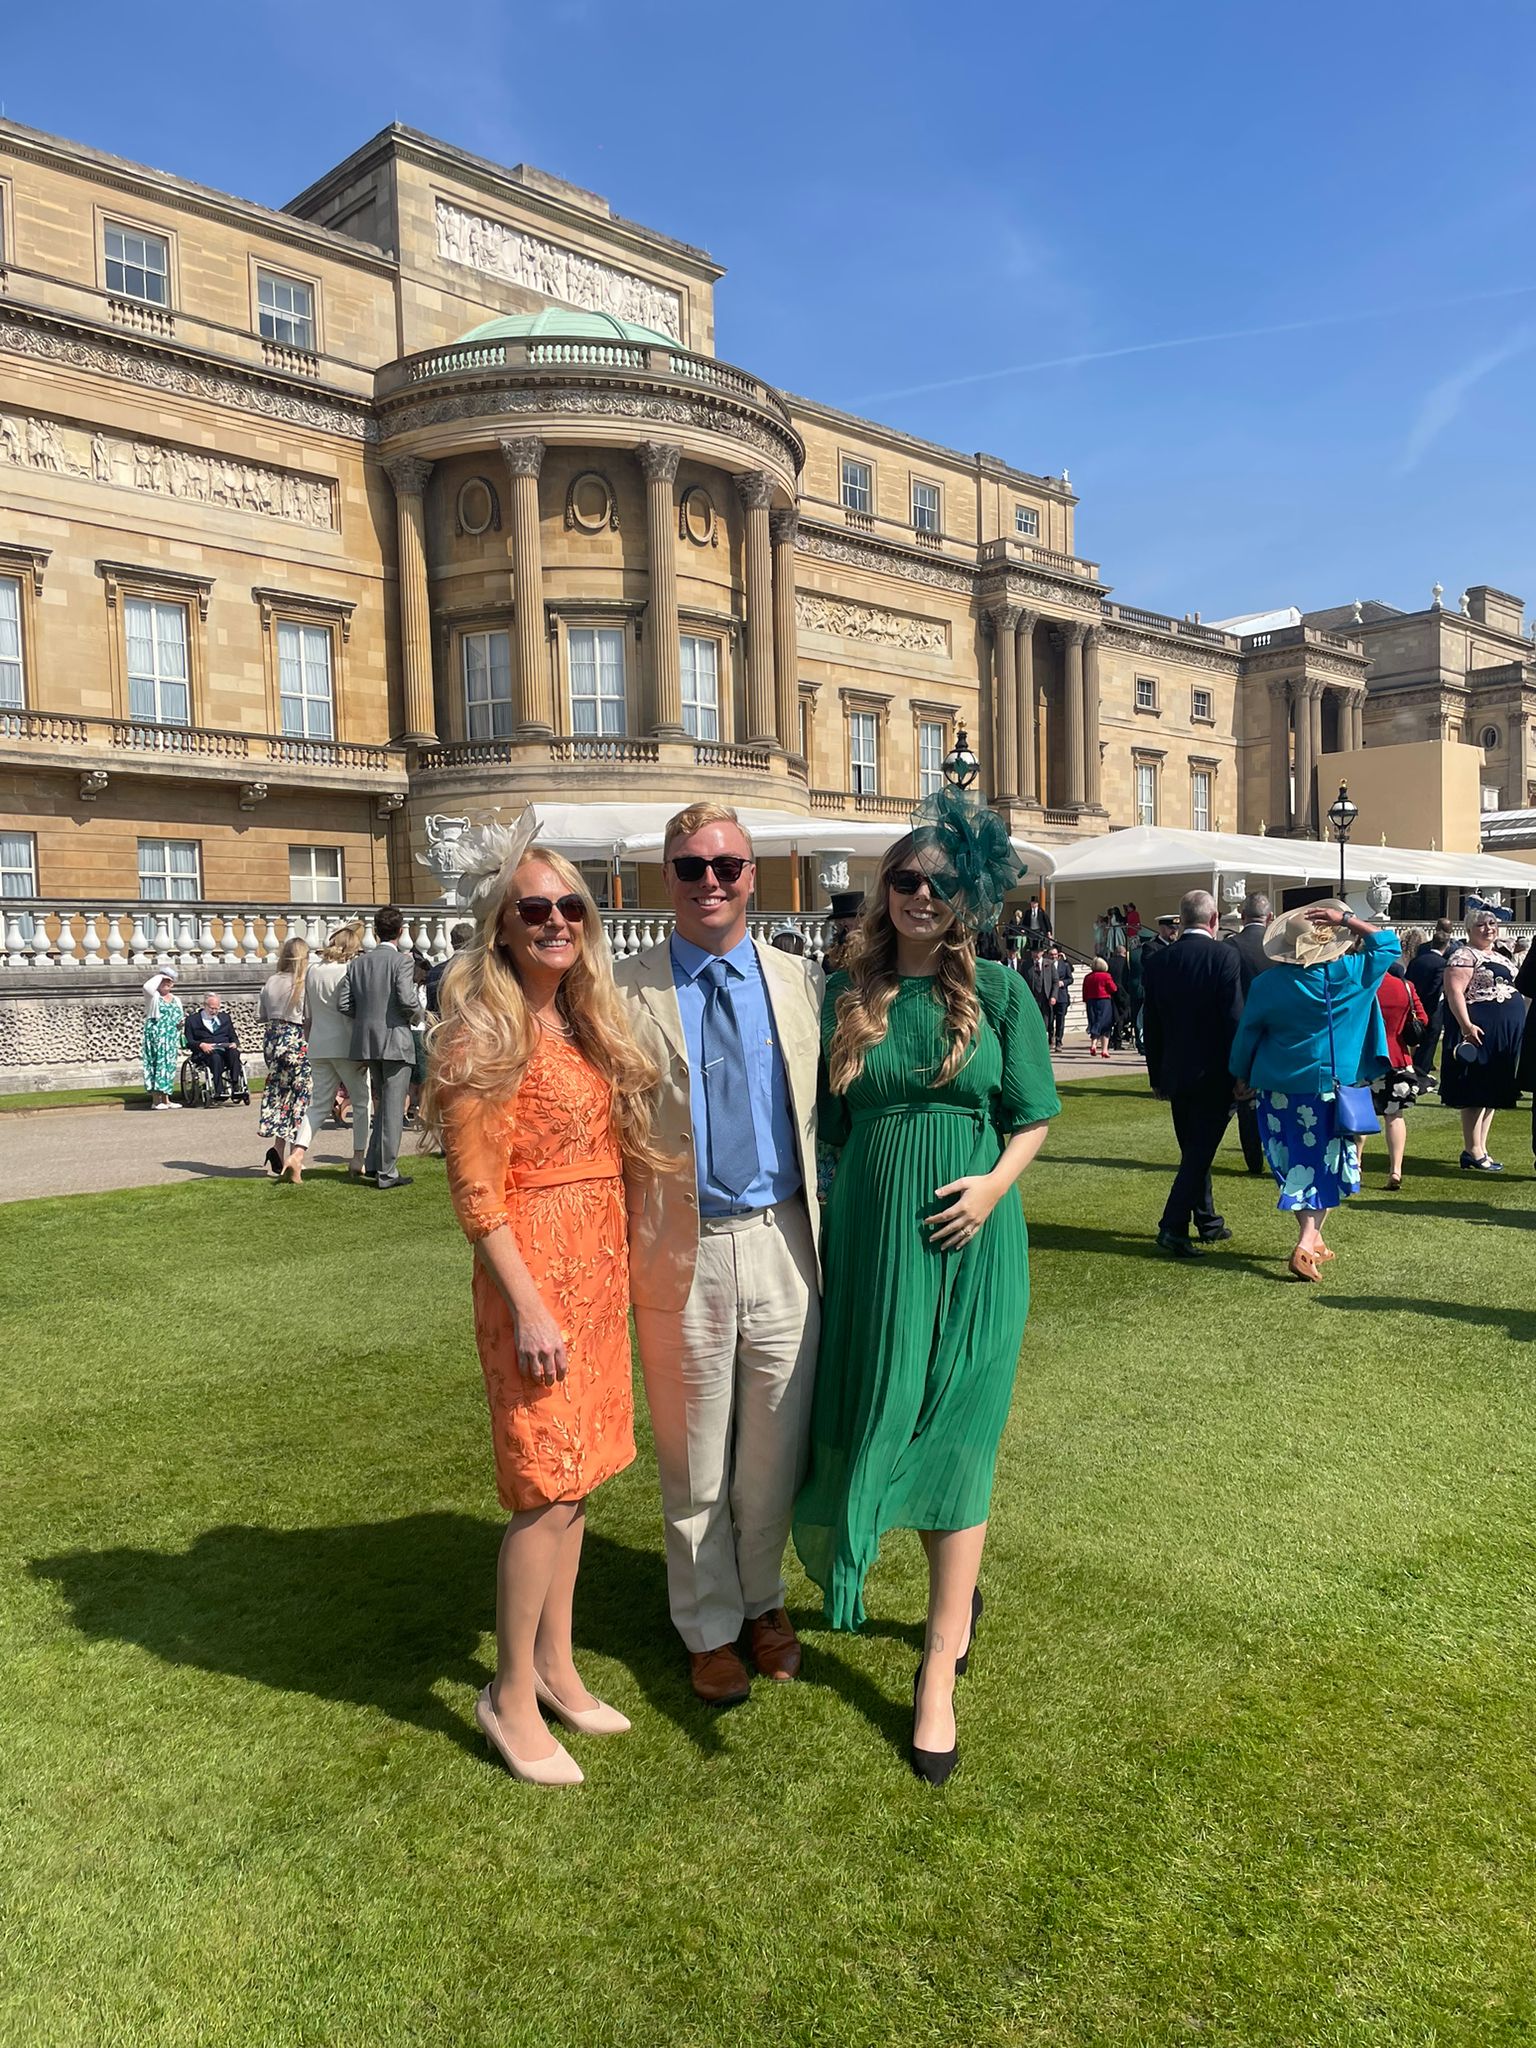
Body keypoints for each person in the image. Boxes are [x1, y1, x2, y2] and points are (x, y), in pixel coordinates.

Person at [794, 810, 1058, 1786]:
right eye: (906, 878)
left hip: (978, 1248)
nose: (921, 894)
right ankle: (904, 1586)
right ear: (886, 889)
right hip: (871, 1245)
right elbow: (820, 1129)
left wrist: (991, 1186)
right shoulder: (844, 994)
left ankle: (937, 1668)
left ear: (966, 899)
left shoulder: (998, 991)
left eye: (940, 882)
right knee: (872, 1422)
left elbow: (1031, 1113)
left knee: (958, 1438)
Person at [426, 813, 664, 1786]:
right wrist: (527, 1305)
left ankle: (557, 1667)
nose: (558, 919)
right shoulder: (483, 1028)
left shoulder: (577, 1015)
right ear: (501, 923)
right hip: (533, 1284)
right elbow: (477, 1195)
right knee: (541, 1490)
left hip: (596, 1276)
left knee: (580, 1480)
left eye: (572, 904)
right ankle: (508, 1693)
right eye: (537, 907)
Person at [614, 804, 823, 1706]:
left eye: (728, 866)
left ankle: (764, 1603)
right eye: (692, 866)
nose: (711, 882)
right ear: (668, 877)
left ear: (754, 876)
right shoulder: (622, 991)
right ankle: (706, 1625)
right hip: (679, 1245)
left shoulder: (796, 979)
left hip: (784, 1239)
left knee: (773, 1451)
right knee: (693, 1457)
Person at [1229, 902, 1398, 1280]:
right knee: (1321, 1167)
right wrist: (1347, 920)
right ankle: (1307, 1243)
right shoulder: (1351, 974)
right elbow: (1388, 945)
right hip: (1326, 1088)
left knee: (1296, 1166)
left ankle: (1314, 1239)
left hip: (1277, 1088)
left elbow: (1248, 1034)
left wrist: (1240, 1073)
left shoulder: (1267, 984)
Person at [1140, 890, 1244, 1259]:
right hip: (1215, 1074)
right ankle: (1172, 1225)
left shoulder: (1158, 962)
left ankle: (1207, 1220)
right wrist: (1240, 1072)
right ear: (1214, 919)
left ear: (1182, 921)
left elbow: (1150, 1025)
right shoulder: (1224, 956)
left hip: (1176, 1072)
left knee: (1194, 1151)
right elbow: (1234, 1019)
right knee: (1198, 1155)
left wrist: (1156, 1076)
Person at [338, 905, 420, 1190]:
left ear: (375, 931)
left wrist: (366, 1020)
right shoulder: (402, 962)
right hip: (395, 1039)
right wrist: (419, 1014)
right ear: (401, 931)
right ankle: (387, 1172)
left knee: (382, 1105)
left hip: (367, 1041)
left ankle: (374, 1163)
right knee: (393, 1108)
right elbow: (407, 1000)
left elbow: (344, 1003)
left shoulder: (358, 963)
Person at [1440, 902, 1524, 1172]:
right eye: (1481, 925)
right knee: (1475, 1090)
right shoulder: (1463, 955)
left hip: (1504, 1034)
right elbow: (1454, 993)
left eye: (1492, 924)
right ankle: (1472, 1149)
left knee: (1492, 1092)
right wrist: (1466, 1025)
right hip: (1479, 1030)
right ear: (1469, 929)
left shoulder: (1501, 956)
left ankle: (1481, 1147)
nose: (1488, 929)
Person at [306, 923, 370, 1180]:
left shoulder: (312, 970)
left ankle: (297, 1153)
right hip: (345, 1044)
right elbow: (351, 1010)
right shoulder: (348, 970)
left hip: (318, 1044)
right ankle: (358, 1157)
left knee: (318, 1105)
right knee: (361, 1102)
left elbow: (308, 1014)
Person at [1224, 892, 1274, 1175]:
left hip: (1240, 1028)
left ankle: (1253, 1158)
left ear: (1242, 916)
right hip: (1275, 1030)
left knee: (1246, 1096)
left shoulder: (1231, 946)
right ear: (1269, 918)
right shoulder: (1279, 947)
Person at [1368, 959, 1428, 1190]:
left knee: (1360, 1114)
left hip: (1366, 1057)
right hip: (1398, 1057)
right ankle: (1396, 1169)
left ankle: (1356, 1166)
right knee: (1395, 1116)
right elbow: (1422, 1019)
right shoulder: (1406, 986)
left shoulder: (1362, 985)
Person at [258, 936, 312, 1185]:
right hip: (295, 1037)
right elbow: (307, 1017)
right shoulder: (301, 982)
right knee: (301, 1097)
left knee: (281, 1096)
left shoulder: (271, 980)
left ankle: (277, 1149)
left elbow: (262, 1015)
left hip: (273, 1037)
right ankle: (294, 1156)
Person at [1405, 919, 1453, 1083]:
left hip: (1413, 1005)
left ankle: (1413, 1065)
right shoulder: (1442, 963)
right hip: (1432, 1008)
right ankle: (1421, 1070)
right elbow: (1436, 988)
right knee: (1430, 1040)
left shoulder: (1416, 961)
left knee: (1413, 1038)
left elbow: (1407, 982)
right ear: (1446, 946)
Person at [183, 990, 246, 1104]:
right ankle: (218, 1089)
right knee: (215, 1057)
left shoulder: (225, 1018)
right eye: (212, 1008)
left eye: (217, 1008)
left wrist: (234, 1043)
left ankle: (235, 1085)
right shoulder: (192, 1020)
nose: (214, 1011)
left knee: (234, 1053)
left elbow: (233, 1037)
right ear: (205, 1005)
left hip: (225, 1048)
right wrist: (201, 1045)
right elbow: (189, 1041)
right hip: (205, 1051)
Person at [141, 968, 182, 1110]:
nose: (166, 983)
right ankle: (156, 1100)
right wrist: (160, 975)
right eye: (163, 981)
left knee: (168, 1066)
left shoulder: (176, 999)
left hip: (170, 1036)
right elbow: (147, 986)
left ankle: (167, 1099)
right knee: (156, 1065)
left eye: (169, 981)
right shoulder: (153, 997)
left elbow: (178, 1018)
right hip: (156, 1035)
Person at [426, 920, 475, 1017]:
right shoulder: (480, 969)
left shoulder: (435, 971)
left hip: (443, 1025)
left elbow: (431, 1010)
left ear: (452, 943)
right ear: (473, 942)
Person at [1082, 955, 1118, 1058]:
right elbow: (1113, 988)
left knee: (1094, 1022)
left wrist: (1086, 1001)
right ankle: (1104, 1050)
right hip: (1104, 1001)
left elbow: (1085, 991)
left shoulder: (1088, 977)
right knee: (1106, 1025)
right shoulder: (1106, 976)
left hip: (1091, 1001)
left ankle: (1093, 1044)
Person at [822, 890, 863, 974]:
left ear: (859, 919)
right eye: (838, 919)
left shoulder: (873, 946)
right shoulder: (832, 953)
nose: (841, 922)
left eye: (846, 918)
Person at [1048, 945, 1073, 1051]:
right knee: (1049, 1019)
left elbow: (1070, 979)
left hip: (1062, 996)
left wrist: (1064, 982)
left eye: (1055, 954)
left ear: (1058, 955)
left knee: (1060, 1020)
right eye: (1051, 955)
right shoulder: (1046, 965)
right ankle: (1050, 1038)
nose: (1053, 957)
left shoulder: (1065, 965)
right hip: (1049, 996)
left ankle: (1059, 1041)